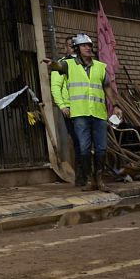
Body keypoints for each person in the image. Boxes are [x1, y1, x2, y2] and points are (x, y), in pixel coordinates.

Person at [49, 32, 114, 189]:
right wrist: (63, 106)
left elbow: (106, 87)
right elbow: (58, 72)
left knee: (100, 147)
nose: (88, 48)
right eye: (84, 45)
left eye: (89, 45)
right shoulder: (67, 64)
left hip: (98, 113)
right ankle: (86, 179)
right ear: (76, 48)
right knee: (82, 147)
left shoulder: (99, 66)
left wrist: (116, 106)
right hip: (76, 112)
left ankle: (98, 180)